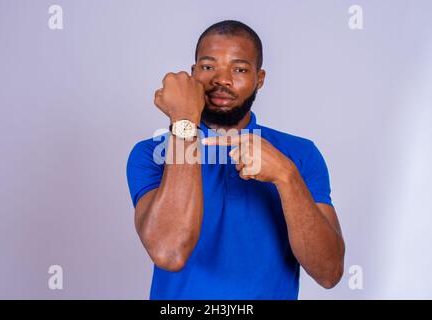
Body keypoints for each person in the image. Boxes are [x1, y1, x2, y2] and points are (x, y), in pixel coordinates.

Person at [126, 20, 345, 299]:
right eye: (208, 67)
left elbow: (329, 273)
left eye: (239, 69)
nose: (222, 80)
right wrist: (184, 122)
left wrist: (286, 177)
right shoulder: (152, 154)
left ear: (260, 79)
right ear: (193, 75)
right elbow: (170, 252)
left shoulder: (299, 153)